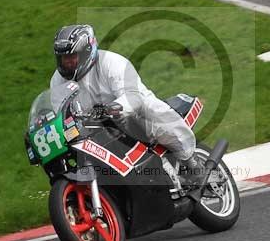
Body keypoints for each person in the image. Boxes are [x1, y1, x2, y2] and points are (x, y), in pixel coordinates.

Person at [50, 24, 205, 186]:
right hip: (94, 129)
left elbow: (132, 97)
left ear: (87, 51)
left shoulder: (112, 62)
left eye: (71, 56)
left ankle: (192, 162)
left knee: (150, 109)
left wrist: (112, 108)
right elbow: (60, 112)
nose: (66, 62)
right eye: (62, 58)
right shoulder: (57, 81)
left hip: (130, 116)